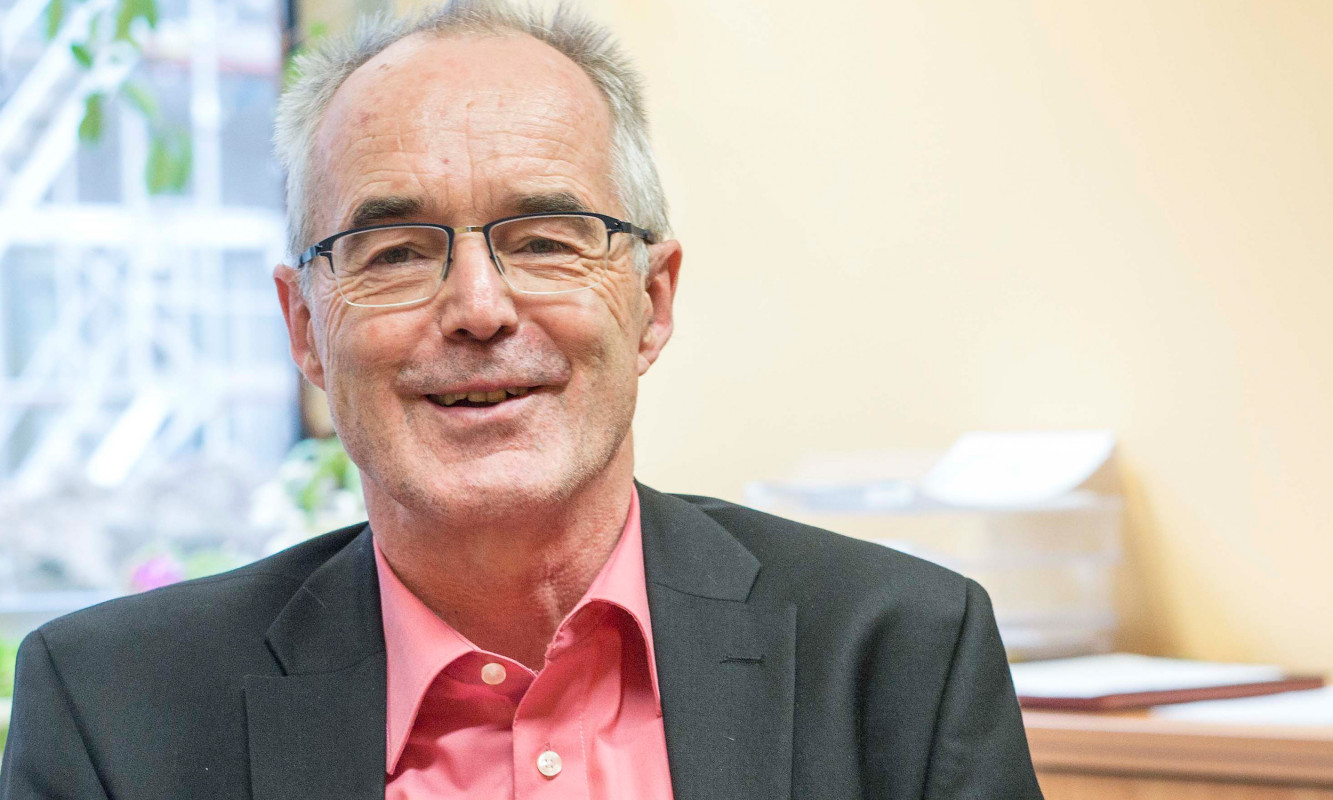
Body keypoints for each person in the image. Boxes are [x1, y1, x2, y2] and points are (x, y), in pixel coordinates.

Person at [0, 2, 1043, 798]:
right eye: (396, 250)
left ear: (652, 300)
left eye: (545, 238)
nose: (478, 308)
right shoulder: (112, 712)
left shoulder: (900, 654)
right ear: (305, 329)